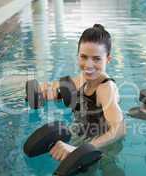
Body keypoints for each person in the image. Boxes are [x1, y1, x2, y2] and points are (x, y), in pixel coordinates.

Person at [38, 24, 126, 161]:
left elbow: (119, 130)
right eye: (84, 57)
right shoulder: (82, 78)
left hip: (104, 145)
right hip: (81, 133)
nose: (88, 65)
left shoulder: (106, 89)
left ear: (108, 59)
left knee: (102, 175)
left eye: (96, 59)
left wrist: (81, 149)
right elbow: (59, 89)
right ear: (78, 55)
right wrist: (46, 92)